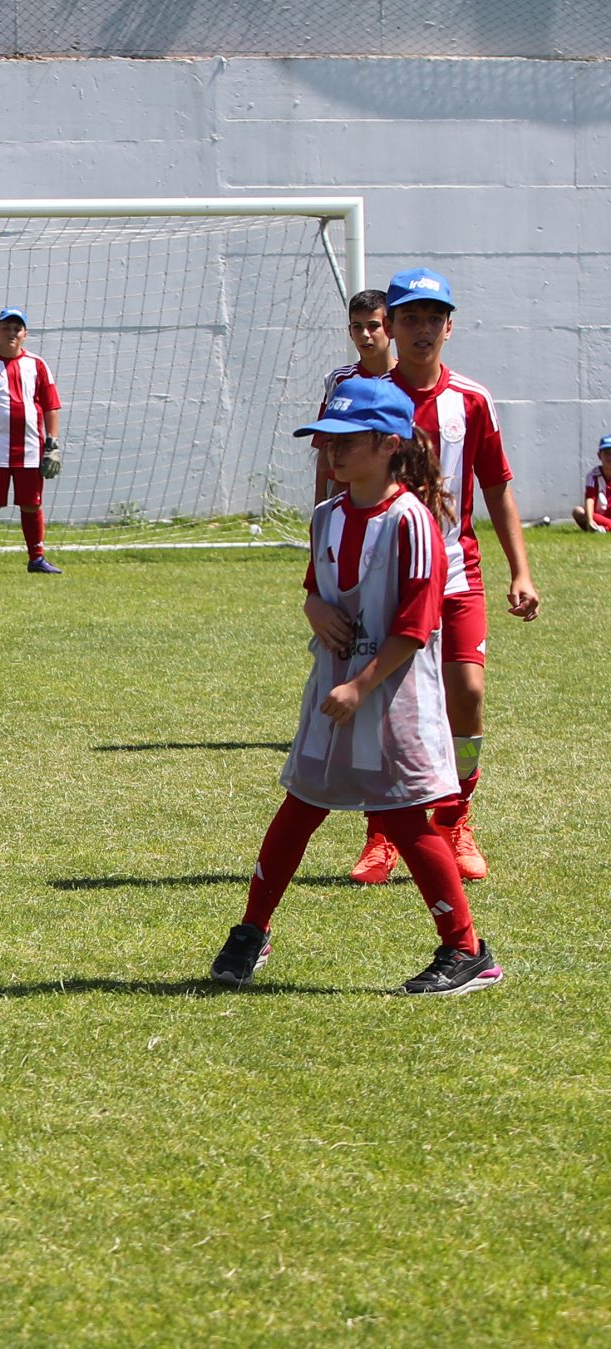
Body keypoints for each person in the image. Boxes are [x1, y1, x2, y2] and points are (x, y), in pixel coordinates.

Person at [212, 376, 500, 996]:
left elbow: (418, 625)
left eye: (348, 439)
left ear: (391, 443)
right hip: (333, 691)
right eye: (325, 440)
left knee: (401, 815)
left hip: (390, 697)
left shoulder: (411, 521)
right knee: (299, 808)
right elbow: (317, 591)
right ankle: (250, 933)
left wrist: (361, 686)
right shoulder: (326, 516)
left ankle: (467, 950)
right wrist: (314, 610)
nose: (333, 452)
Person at [347, 268, 539, 887]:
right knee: (385, 704)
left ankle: (455, 816)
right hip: (384, 577)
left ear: (449, 326)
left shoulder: (471, 401)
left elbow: (498, 489)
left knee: (469, 693)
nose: (423, 329)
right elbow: (336, 488)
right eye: (410, 317)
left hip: (457, 575)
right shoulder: (371, 398)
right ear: (391, 328)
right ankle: (383, 833)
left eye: (434, 317)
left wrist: (521, 571)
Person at [0, 307, 64, 575]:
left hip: (31, 448)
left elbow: (52, 406)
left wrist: (52, 445)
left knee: (32, 503)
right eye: (6, 328)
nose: (11, 333)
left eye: (17, 328)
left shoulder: (38, 365)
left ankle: (37, 559)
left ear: (25, 334)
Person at [312, 288, 393, 504]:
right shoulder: (339, 380)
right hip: (343, 492)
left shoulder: (406, 380)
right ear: (349, 331)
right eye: (357, 327)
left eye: (373, 326)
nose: (365, 334)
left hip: (391, 493)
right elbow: (324, 445)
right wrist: (320, 505)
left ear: (391, 327)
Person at [573, 434, 611, 533]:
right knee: (578, 511)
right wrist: (590, 520)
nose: (609, 457)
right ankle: (600, 527)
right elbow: (590, 498)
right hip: (599, 517)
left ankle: (603, 529)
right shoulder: (593, 475)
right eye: (606, 453)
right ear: (599, 456)